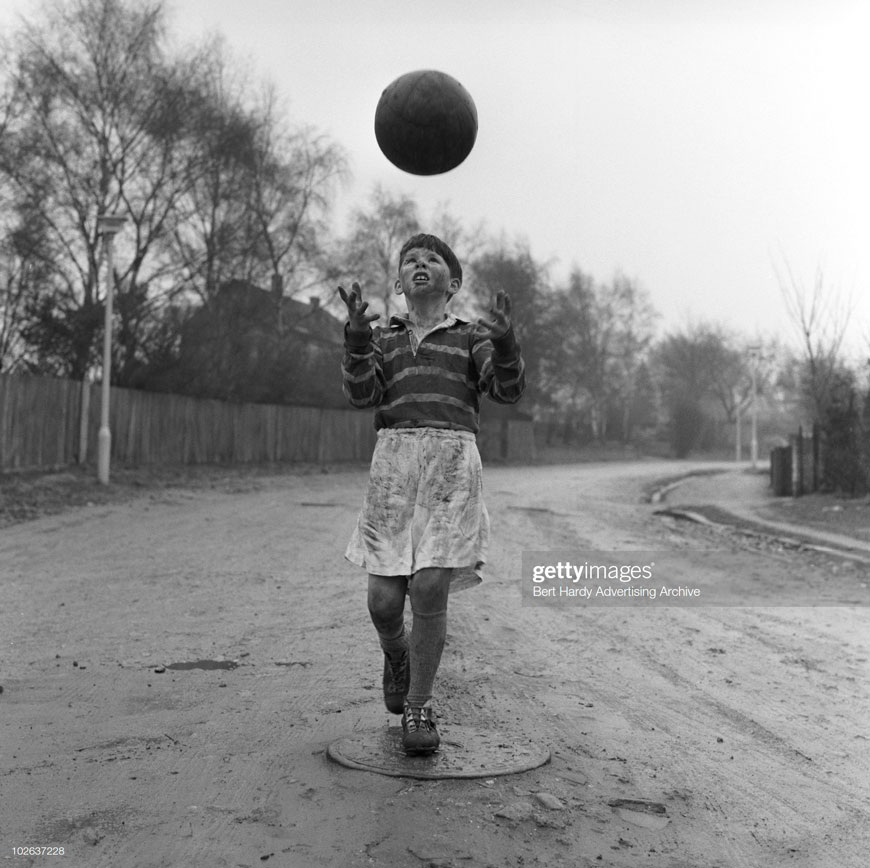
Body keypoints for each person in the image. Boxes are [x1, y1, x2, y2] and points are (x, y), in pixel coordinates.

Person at [338, 233, 525, 755]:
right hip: (394, 465)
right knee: (382, 600)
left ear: (454, 282)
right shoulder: (381, 338)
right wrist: (355, 339)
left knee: (427, 588)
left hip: (451, 467)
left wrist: (507, 344)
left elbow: (506, 389)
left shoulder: (470, 338)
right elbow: (361, 395)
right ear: (398, 283)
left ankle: (418, 706)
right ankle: (397, 653)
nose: (421, 264)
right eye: (411, 261)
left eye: (433, 259)